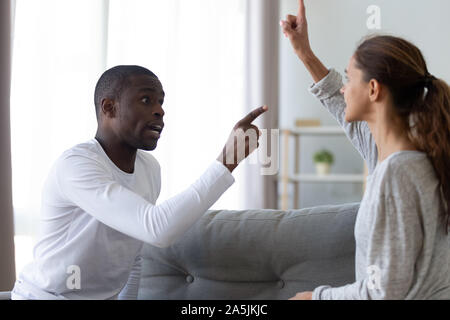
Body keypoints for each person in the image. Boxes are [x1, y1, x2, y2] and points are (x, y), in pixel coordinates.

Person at [11, 65, 268, 299]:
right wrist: (227, 161)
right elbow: (157, 229)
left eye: (161, 102)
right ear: (109, 107)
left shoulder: (149, 169)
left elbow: (132, 257)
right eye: (146, 100)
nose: (160, 110)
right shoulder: (77, 165)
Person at [281, 0, 450, 300]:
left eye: (349, 78)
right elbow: (337, 100)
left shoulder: (397, 173)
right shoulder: (412, 156)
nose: (344, 88)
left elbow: (385, 293)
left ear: (373, 89)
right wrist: (304, 52)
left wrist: (313, 298)